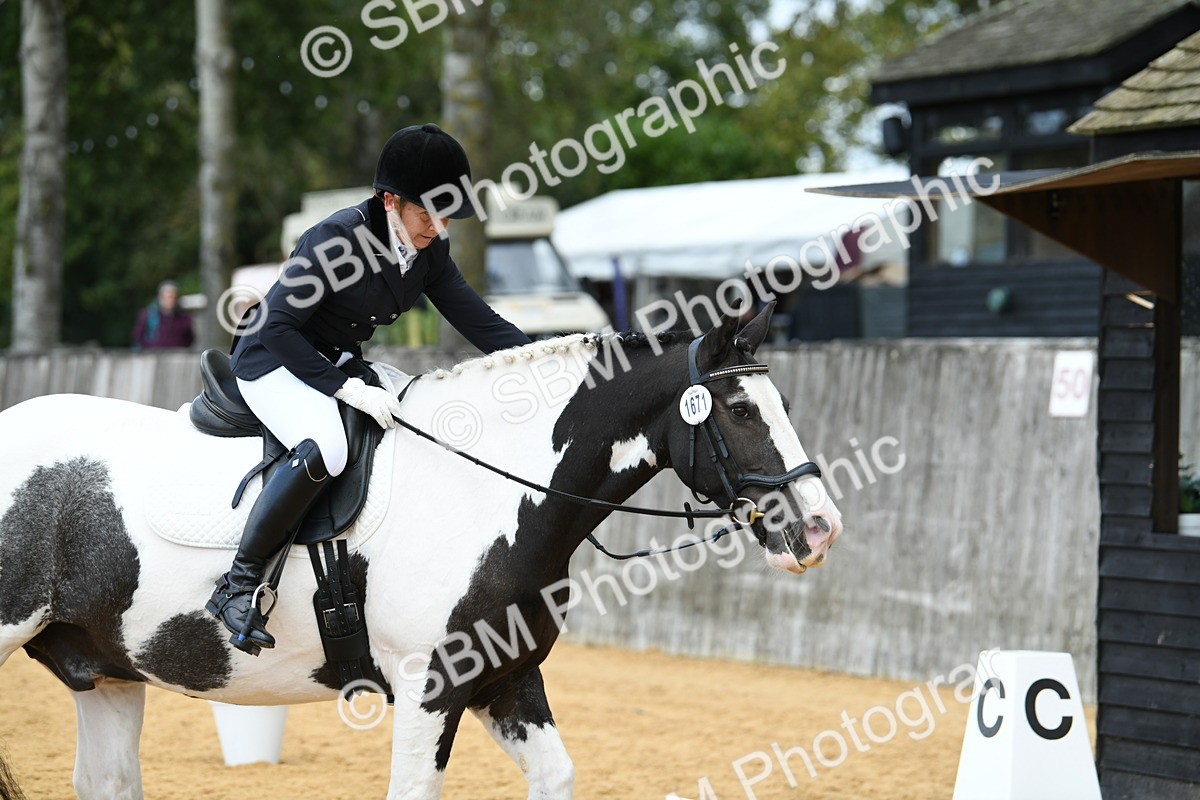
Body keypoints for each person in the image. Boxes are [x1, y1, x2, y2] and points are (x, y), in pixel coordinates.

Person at [207, 123, 531, 653]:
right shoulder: (337, 240)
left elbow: (483, 324)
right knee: (329, 446)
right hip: (273, 364)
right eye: (427, 211)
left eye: (446, 212)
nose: (440, 224)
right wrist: (345, 390)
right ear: (390, 201)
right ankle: (238, 585)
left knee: (415, 412)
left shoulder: (427, 252)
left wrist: (558, 357)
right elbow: (277, 328)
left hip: (336, 363)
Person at [131, 280, 195, 349]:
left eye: (174, 297)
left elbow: (189, 338)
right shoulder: (148, 316)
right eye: (168, 297)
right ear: (160, 297)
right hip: (152, 357)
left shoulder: (184, 318)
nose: (171, 301)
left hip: (177, 357)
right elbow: (138, 337)